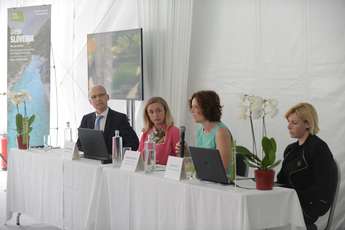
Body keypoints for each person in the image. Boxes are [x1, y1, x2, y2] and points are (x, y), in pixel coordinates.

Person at [277, 102, 337, 230]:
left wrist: (293, 197)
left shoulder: (318, 147)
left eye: (294, 123)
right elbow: (282, 180)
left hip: (310, 206)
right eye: (288, 122)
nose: (289, 126)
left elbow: (323, 187)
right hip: (290, 203)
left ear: (308, 124)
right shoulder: (290, 150)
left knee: (267, 218)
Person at [177, 90, 232, 172]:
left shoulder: (221, 132)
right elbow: (202, 162)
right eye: (192, 107)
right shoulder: (199, 130)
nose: (192, 111)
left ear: (207, 108)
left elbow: (222, 168)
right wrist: (187, 152)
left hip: (219, 183)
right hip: (205, 179)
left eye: (196, 107)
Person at [77, 85, 139, 154]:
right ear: (90, 102)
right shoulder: (86, 119)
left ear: (107, 97)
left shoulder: (120, 118)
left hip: (111, 162)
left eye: (101, 95)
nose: (98, 99)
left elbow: (134, 143)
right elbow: (79, 144)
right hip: (91, 161)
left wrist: (116, 155)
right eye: (94, 97)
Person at [138, 97, 180, 165]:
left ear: (165, 111)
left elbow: (180, 158)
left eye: (159, 111)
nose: (155, 115)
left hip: (167, 173)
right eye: (151, 112)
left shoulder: (174, 131)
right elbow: (139, 156)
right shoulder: (146, 132)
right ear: (147, 115)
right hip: (147, 171)